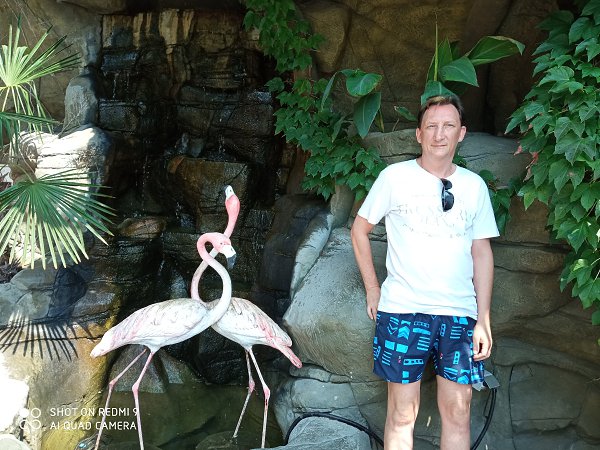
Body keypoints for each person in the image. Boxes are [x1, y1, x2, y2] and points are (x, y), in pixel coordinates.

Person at [350, 95, 498, 450]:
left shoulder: (474, 186)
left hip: (459, 314)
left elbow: (482, 252)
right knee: (402, 415)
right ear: (419, 134)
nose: (439, 134)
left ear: (461, 133)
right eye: (431, 126)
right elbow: (359, 230)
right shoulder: (394, 178)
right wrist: (373, 289)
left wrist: (483, 318)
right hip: (403, 310)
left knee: (458, 412)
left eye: (448, 126)